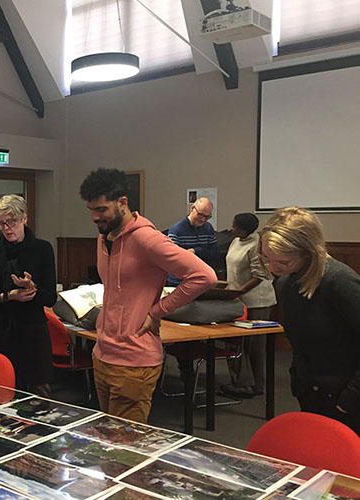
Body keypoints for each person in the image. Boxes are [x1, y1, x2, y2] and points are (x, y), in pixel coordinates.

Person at [79, 168, 217, 423]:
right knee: (108, 439)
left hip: (134, 360)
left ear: (122, 203)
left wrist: (156, 311)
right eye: (91, 210)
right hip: (103, 354)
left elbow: (204, 276)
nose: (95, 217)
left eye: (101, 209)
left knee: (125, 447)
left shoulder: (147, 238)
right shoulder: (103, 237)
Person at [260, 207, 360, 434]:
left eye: (282, 262)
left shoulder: (340, 281)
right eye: (267, 259)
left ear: (309, 253)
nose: (272, 269)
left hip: (346, 399)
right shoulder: (287, 284)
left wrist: (350, 400)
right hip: (312, 392)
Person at [0, 194, 57, 397]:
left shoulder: (43, 249)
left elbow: (50, 298)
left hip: (33, 331)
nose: (6, 229)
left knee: (38, 398)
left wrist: (32, 289)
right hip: (1, 330)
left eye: (10, 222)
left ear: (24, 219)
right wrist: (8, 296)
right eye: (1, 224)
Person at [220, 213, 276, 398]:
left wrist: (239, 291)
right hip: (237, 299)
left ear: (245, 229)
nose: (232, 228)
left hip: (257, 302)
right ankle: (241, 382)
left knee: (254, 346)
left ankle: (256, 386)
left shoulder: (257, 245)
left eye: (235, 226)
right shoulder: (237, 240)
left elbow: (259, 275)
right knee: (237, 344)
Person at [167, 197, 219, 286]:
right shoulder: (177, 229)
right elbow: (173, 259)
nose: (203, 219)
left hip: (202, 279)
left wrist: (196, 251)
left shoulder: (208, 228)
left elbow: (215, 253)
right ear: (192, 209)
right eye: (200, 215)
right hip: (179, 281)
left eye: (207, 217)